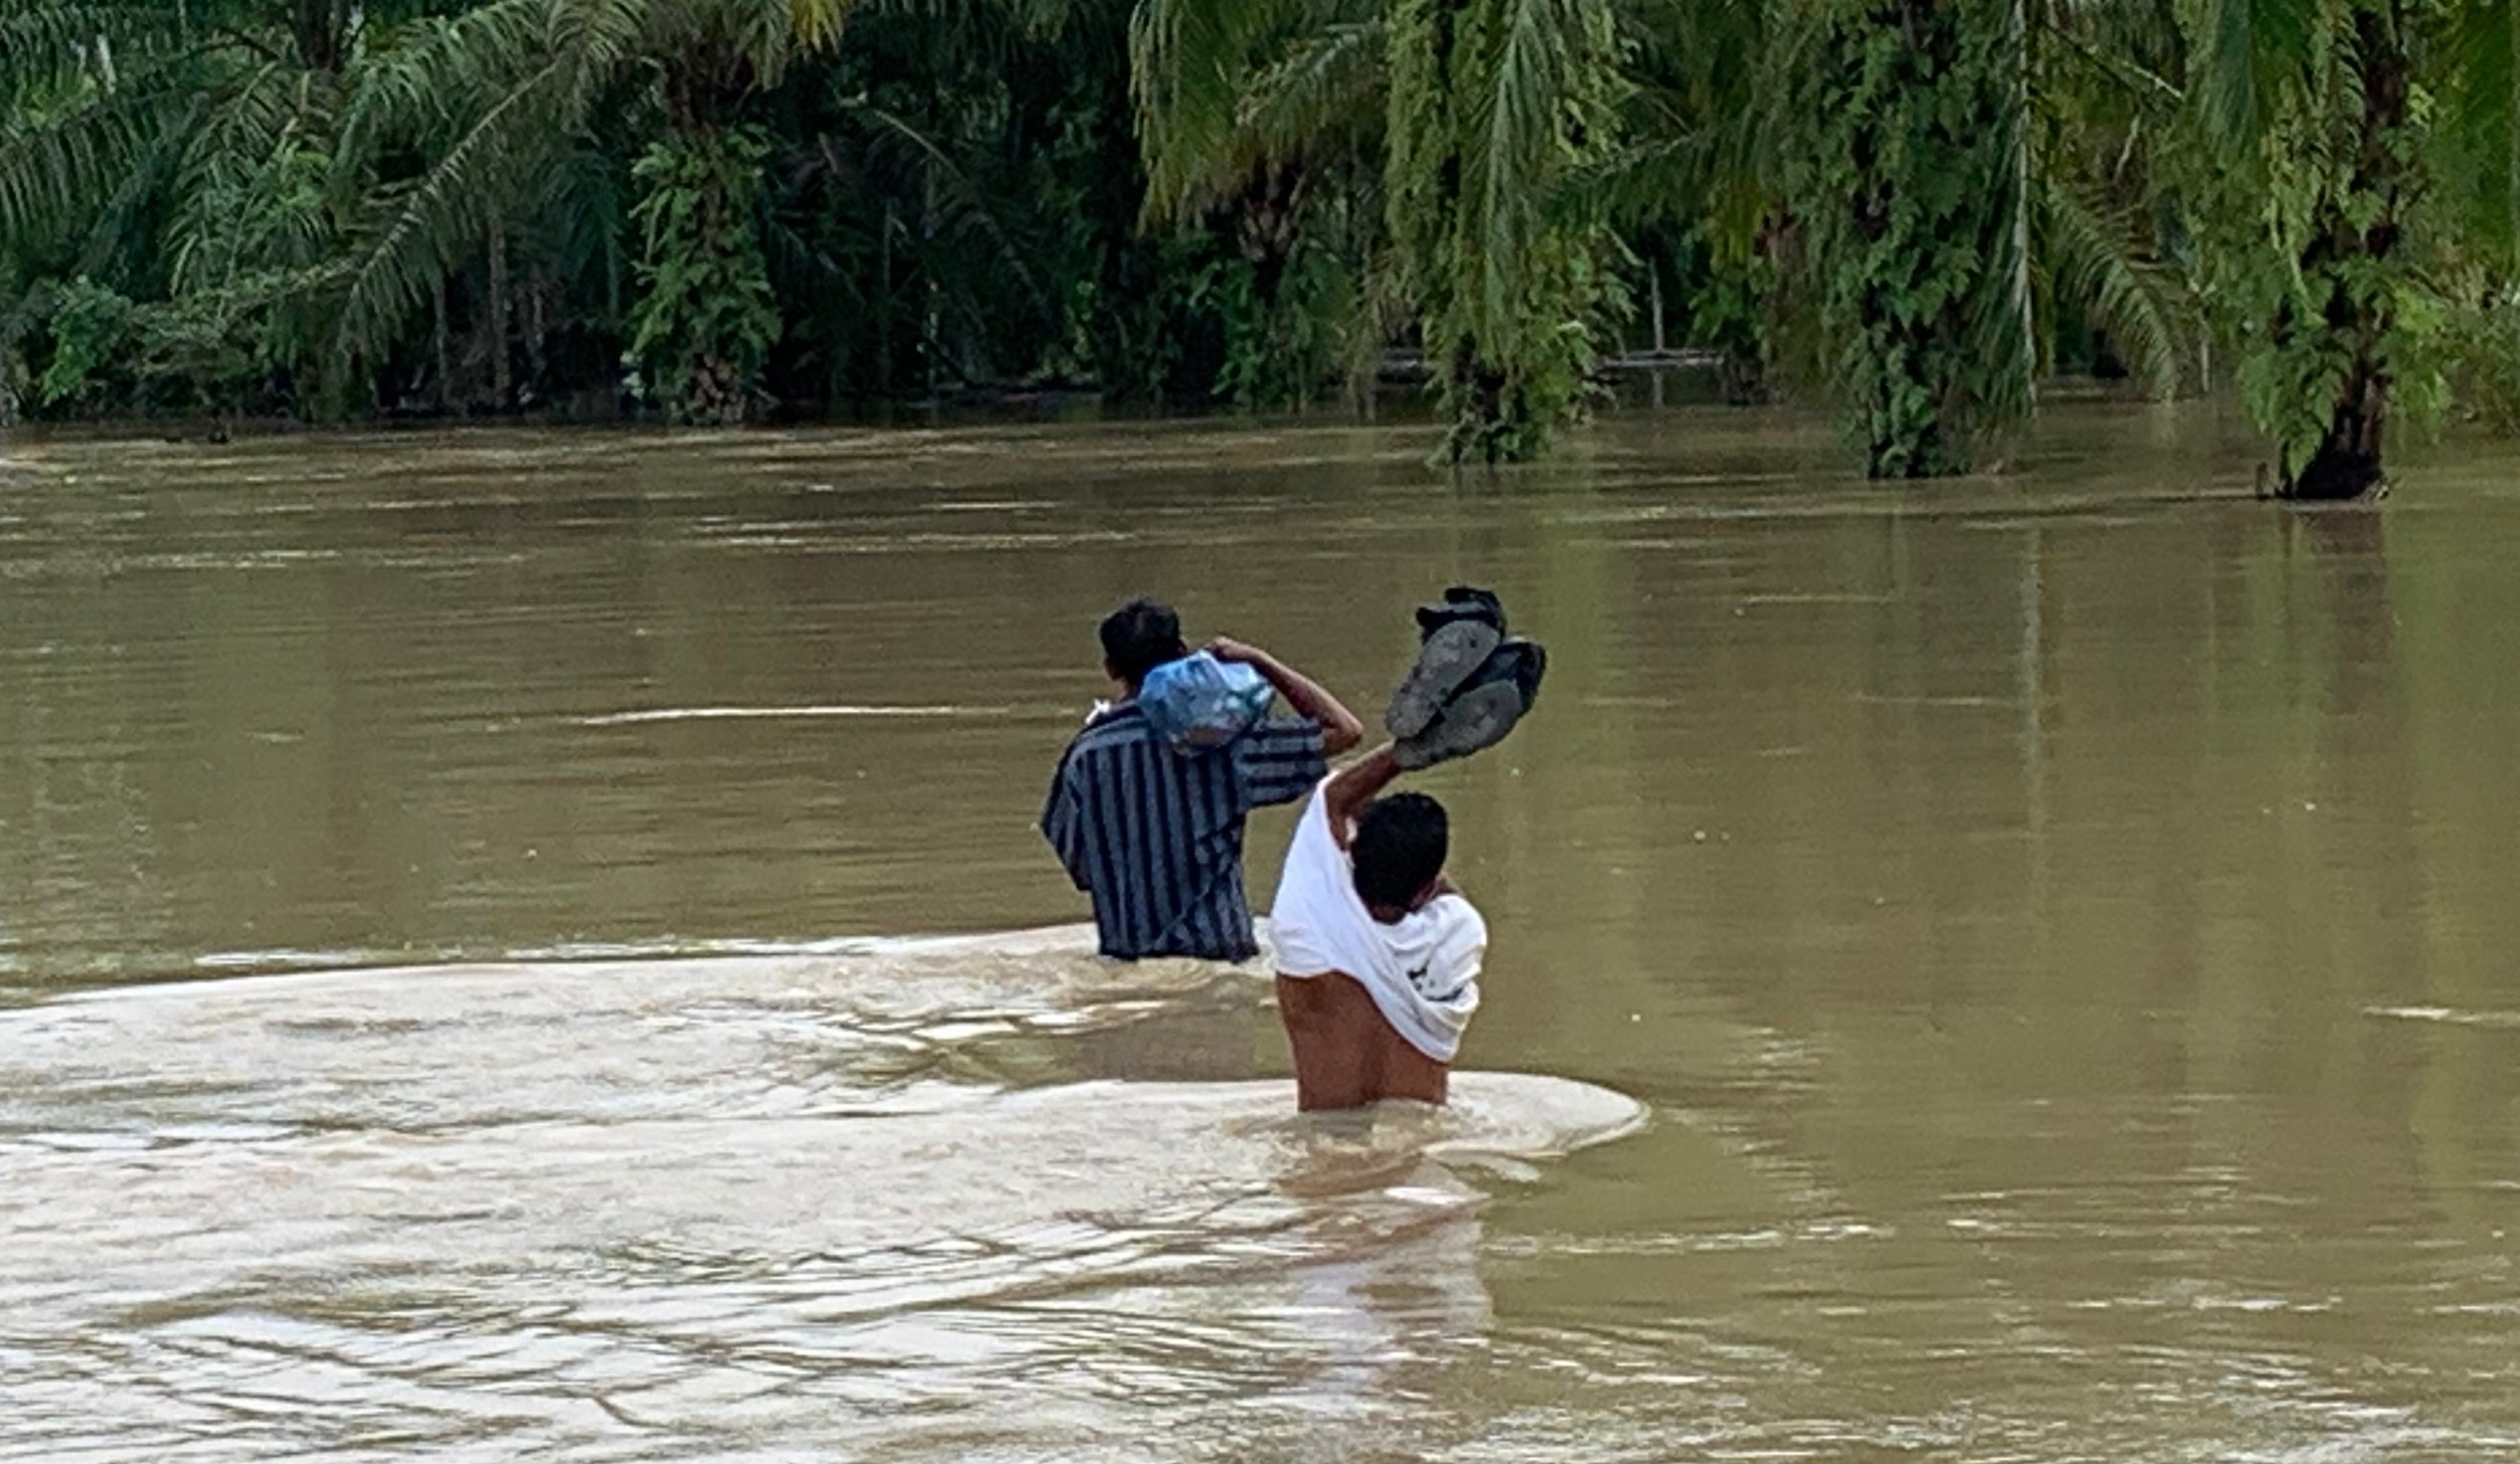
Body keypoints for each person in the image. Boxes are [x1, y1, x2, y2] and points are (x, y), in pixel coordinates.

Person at [1041, 598, 1363, 962]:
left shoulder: (1084, 756)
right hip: (1220, 958)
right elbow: (1345, 730)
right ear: (1183, 653)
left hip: (1125, 963)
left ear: (1111, 668)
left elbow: (1081, 870)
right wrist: (1260, 661)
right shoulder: (1224, 745)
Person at [1267, 743, 1485, 1110]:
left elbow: (1332, 797)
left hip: (1325, 1147)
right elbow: (1435, 890)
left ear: (1351, 853)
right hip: (1421, 1150)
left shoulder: (1307, 935)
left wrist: (1416, 744)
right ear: (1427, 888)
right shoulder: (1460, 935)